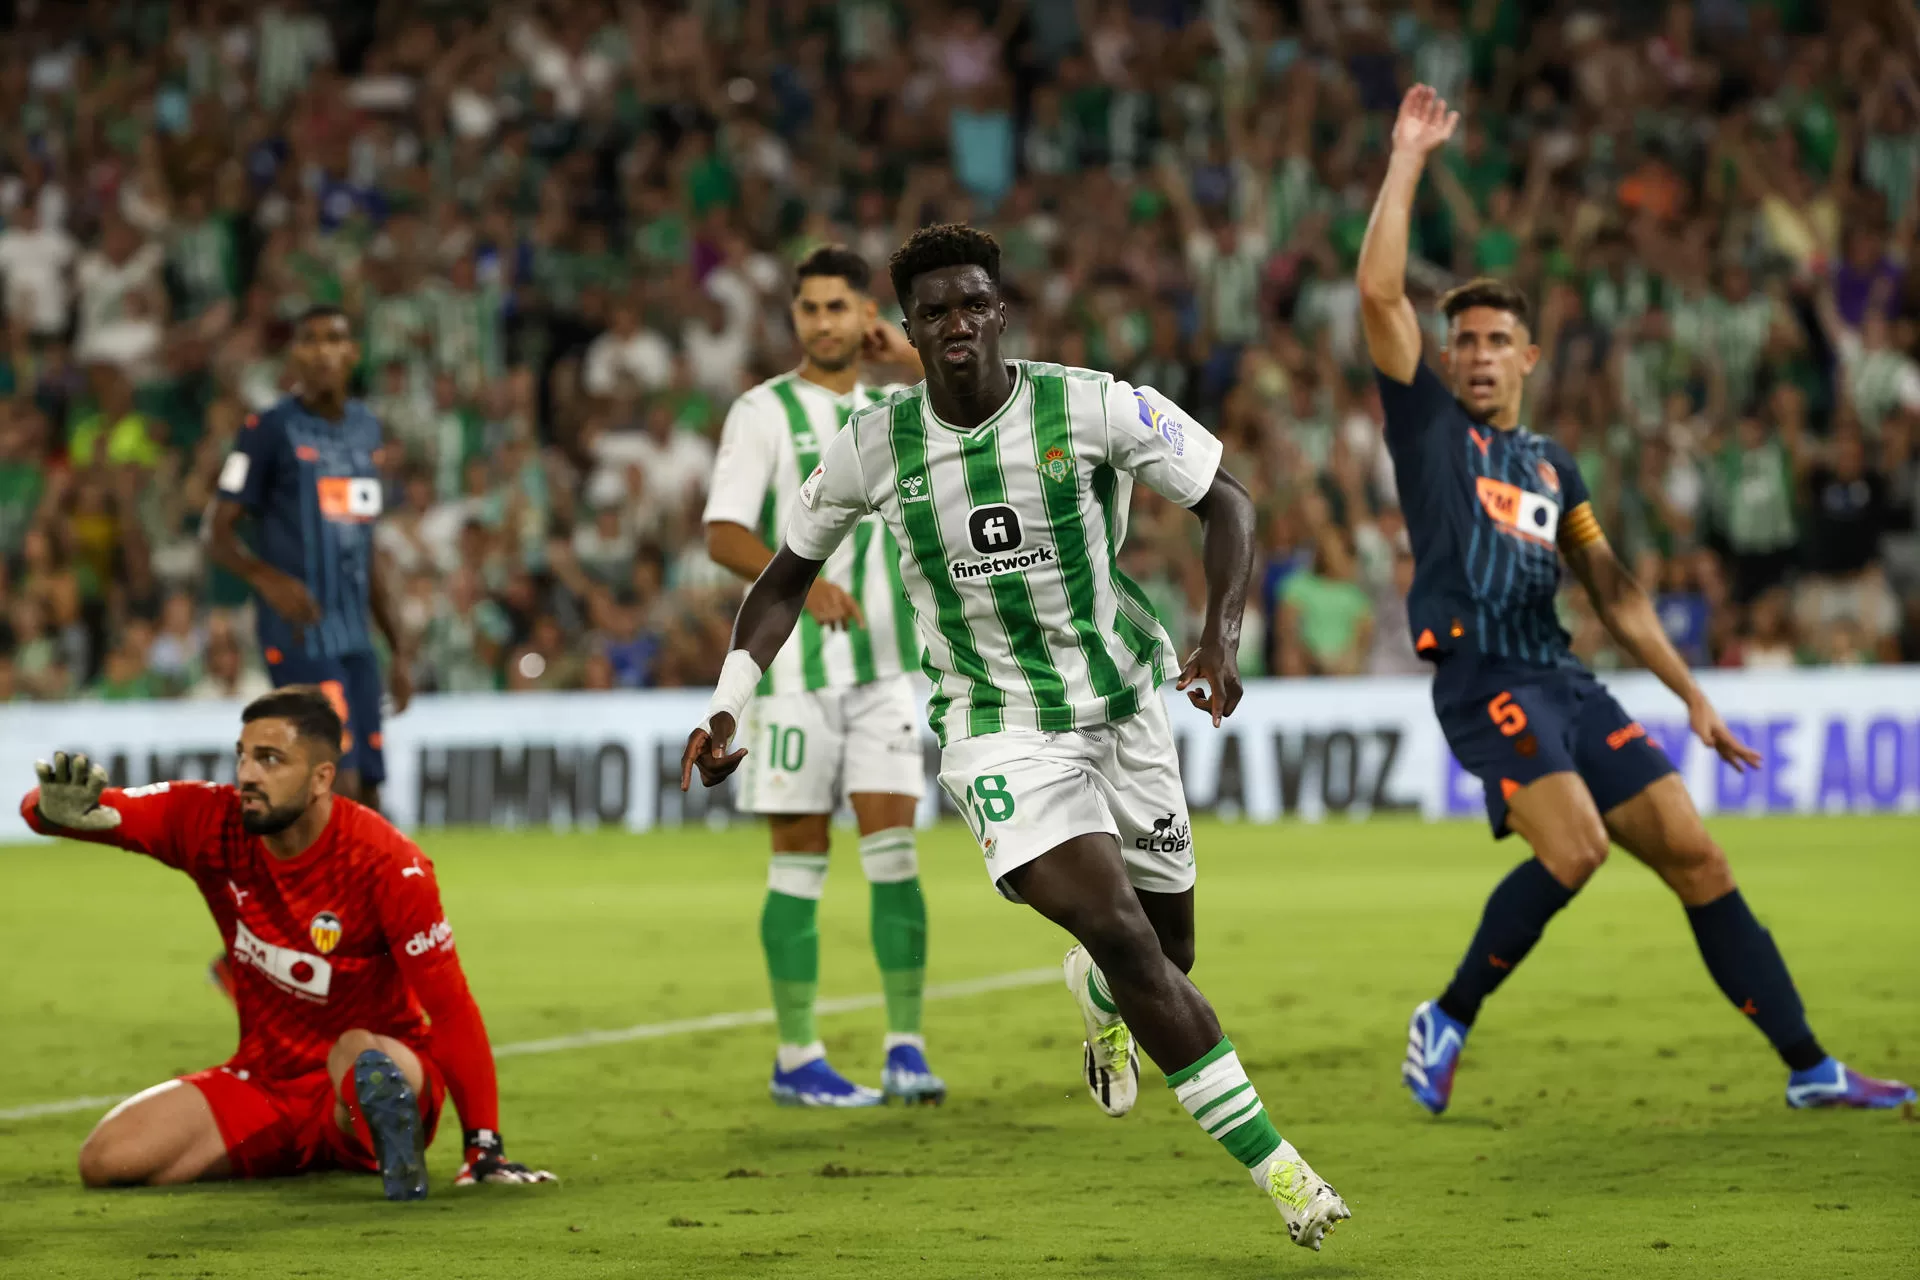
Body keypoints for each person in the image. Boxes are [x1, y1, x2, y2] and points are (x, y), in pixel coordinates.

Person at [681, 225, 1352, 1251]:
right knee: (1125, 930)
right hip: (994, 725)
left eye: (975, 304)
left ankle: (1097, 993)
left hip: (1126, 701)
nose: (959, 323)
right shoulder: (873, 447)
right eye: (936, 309)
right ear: (904, 329)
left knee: (1165, 950)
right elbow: (776, 581)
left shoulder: (1090, 403)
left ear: (1002, 311)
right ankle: (1284, 1170)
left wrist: (1219, 638)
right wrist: (728, 700)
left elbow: (1227, 498)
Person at [1357, 85, 1915, 1115]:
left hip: (1566, 678)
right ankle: (1446, 1014)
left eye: (1495, 341)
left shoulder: (1552, 465)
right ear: (1447, 359)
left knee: (1698, 853)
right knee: (1579, 848)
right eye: (1463, 340)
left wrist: (1692, 694)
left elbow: (1612, 588)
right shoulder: (1430, 430)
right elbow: (1381, 297)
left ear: (1529, 357)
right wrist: (1407, 160)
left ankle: (1810, 1064)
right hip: (1484, 675)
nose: (1476, 354)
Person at [19, 689, 554, 1198]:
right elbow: (85, 811)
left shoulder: (390, 864)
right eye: (243, 756)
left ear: (322, 778)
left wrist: (484, 1148)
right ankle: (305, 1151)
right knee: (109, 1159)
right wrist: (47, 811)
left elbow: (450, 1008)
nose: (248, 774)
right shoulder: (208, 819)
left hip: (374, 1066)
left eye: (270, 760)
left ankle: (372, 1134)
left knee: (360, 1054)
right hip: (268, 1083)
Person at [701, 245, 944, 1108]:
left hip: (885, 672)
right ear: (795, 318)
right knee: (798, 860)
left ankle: (906, 1048)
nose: (825, 322)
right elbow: (723, 532)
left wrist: (907, 353)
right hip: (797, 676)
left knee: (896, 856)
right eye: (810, 309)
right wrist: (801, 575)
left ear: (864, 315)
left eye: (840, 307)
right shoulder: (763, 412)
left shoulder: (901, 402)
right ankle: (797, 1053)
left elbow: (989, 381)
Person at [203, 304, 414, 999]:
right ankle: (319, 963)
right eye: (312, 340)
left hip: (356, 640)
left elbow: (366, 543)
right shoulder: (268, 431)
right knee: (337, 783)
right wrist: (269, 580)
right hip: (299, 637)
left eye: (337, 339)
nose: (325, 351)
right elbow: (218, 533)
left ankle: (283, 956)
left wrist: (397, 641)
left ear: (353, 352)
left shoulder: (365, 429)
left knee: (373, 796)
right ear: (295, 354)